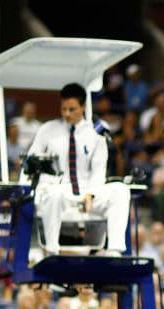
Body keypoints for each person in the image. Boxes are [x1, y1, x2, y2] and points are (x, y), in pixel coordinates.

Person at [24, 83, 130, 256]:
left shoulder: (96, 133)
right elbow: (30, 163)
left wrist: (91, 194)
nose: (67, 114)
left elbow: (98, 170)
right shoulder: (47, 130)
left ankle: (115, 249)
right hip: (60, 189)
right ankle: (52, 249)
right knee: (53, 194)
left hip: (87, 190)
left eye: (72, 109)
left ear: (83, 107)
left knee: (120, 190)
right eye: (64, 108)